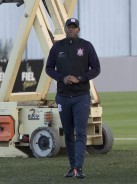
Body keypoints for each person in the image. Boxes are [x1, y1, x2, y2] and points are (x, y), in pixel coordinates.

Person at [46, 18, 101, 178]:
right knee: (68, 134)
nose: (71, 30)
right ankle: (72, 167)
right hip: (63, 96)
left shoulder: (86, 46)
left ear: (78, 29)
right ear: (65, 29)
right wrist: (62, 78)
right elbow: (49, 68)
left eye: (74, 27)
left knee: (81, 132)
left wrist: (80, 78)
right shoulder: (57, 47)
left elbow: (96, 68)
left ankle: (79, 168)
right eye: (69, 27)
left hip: (81, 96)